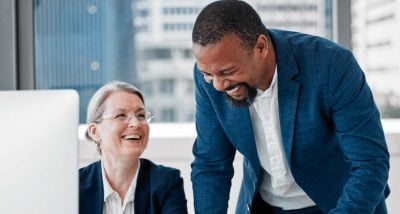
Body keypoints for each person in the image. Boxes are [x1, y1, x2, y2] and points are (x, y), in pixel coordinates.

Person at [190, 1, 390, 214]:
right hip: (264, 205)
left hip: (342, 203)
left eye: (228, 72)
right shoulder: (210, 77)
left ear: (261, 47)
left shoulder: (332, 64)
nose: (219, 85)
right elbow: (211, 165)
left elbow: (370, 164)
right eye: (209, 74)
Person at [79, 81, 188, 214]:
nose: (135, 123)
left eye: (141, 115)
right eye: (121, 116)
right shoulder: (75, 186)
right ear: (95, 132)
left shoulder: (167, 182)